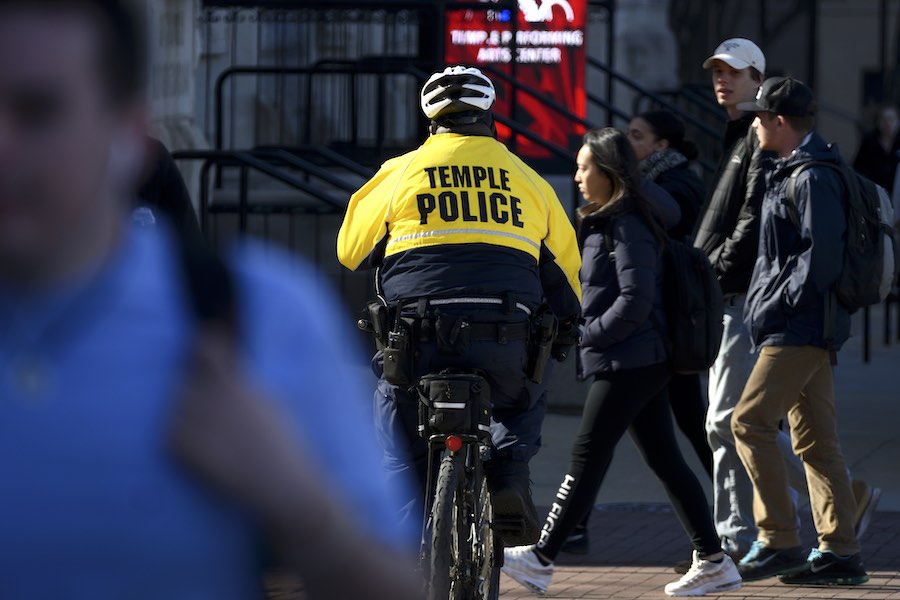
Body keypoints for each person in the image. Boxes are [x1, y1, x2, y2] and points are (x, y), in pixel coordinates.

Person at [0, 2, 418, 598]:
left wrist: (300, 503)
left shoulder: (256, 317)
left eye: (38, 110)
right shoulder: (513, 175)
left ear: (124, 131)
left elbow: (352, 245)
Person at [336, 65, 582, 546]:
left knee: (398, 433)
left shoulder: (399, 172)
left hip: (416, 345)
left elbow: (350, 253)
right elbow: (568, 280)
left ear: (432, 123)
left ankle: (401, 534)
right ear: (491, 118)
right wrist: (566, 330)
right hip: (505, 346)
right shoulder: (529, 180)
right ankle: (510, 475)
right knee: (527, 391)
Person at [501, 128, 742, 597]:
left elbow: (635, 299)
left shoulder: (628, 222)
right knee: (665, 459)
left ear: (609, 172)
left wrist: (592, 335)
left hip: (632, 358)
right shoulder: (607, 220)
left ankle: (542, 556)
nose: (577, 176)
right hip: (635, 357)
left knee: (586, 455)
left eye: (584, 167)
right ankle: (713, 560)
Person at [731, 76, 869, 586]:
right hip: (800, 326)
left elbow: (821, 259)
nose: (756, 125)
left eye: (762, 117)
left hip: (799, 328)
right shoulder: (790, 169)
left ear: (781, 122)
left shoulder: (811, 176)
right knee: (816, 442)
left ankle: (780, 540)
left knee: (749, 423)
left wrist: (780, 303)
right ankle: (840, 552)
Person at [692, 38, 815, 560]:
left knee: (729, 421)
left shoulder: (760, 134)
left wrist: (714, 270)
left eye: (734, 73)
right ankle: (830, 499)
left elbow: (750, 219)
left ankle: (732, 538)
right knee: (744, 421)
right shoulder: (736, 134)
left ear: (757, 80)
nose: (723, 80)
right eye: (718, 71)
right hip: (733, 294)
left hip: (743, 295)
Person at [629, 109, 706, 240]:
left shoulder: (672, 187)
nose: (627, 141)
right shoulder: (660, 176)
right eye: (628, 134)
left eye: (636, 136)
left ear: (660, 145)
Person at [853, 103, 900, 192]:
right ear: (878, 122)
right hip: (873, 192)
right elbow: (858, 167)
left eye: (891, 119)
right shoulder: (869, 142)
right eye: (884, 119)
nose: (888, 124)